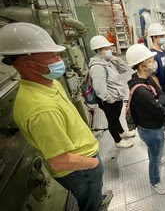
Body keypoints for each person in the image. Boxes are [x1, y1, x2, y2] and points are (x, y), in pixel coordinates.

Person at [0, 22, 112, 211]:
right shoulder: (40, 109)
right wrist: (93, 164)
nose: (59, 59)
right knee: (90, 205)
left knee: (92, 194)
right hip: (79, 169)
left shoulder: (47, 83)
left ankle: (95, 198)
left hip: (82, 161)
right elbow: (59, 160)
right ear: (28, 64)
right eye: (53, 56)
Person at [126, 44, 165, 195]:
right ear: (143, 65)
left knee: (154, 150)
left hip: (150, 126)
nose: (153, 61)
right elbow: (160, 113)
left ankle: (157, 157)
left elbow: (162, 94)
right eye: (150, 59)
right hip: (151, 130)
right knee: (155, 155)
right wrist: (160, 106)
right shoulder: (142, 92)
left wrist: (158, 102)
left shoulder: (144, 77)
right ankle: (155, 180)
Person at [89, 35, 134, 148]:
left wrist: (117, 59)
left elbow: (124, 69)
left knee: (115, 117)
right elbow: (99, 88)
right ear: (99, 51)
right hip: (109, 100)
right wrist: (110, 100)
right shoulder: (97, 67)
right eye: (106, 49)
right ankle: (118, 141)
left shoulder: (108, 61)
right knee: (112, 120)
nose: (109, 50)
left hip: (116, 97)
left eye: (109, 48)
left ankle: (122, 132)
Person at [148, 23, 165, 132]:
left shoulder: (163, 52)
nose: (163, 38)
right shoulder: (152, 54)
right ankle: (161, 129)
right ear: (154, 38)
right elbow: (153, 75)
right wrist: (159, 90)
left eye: (163, 36)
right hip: (161, 88)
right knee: (161, 108)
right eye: (160, 36)